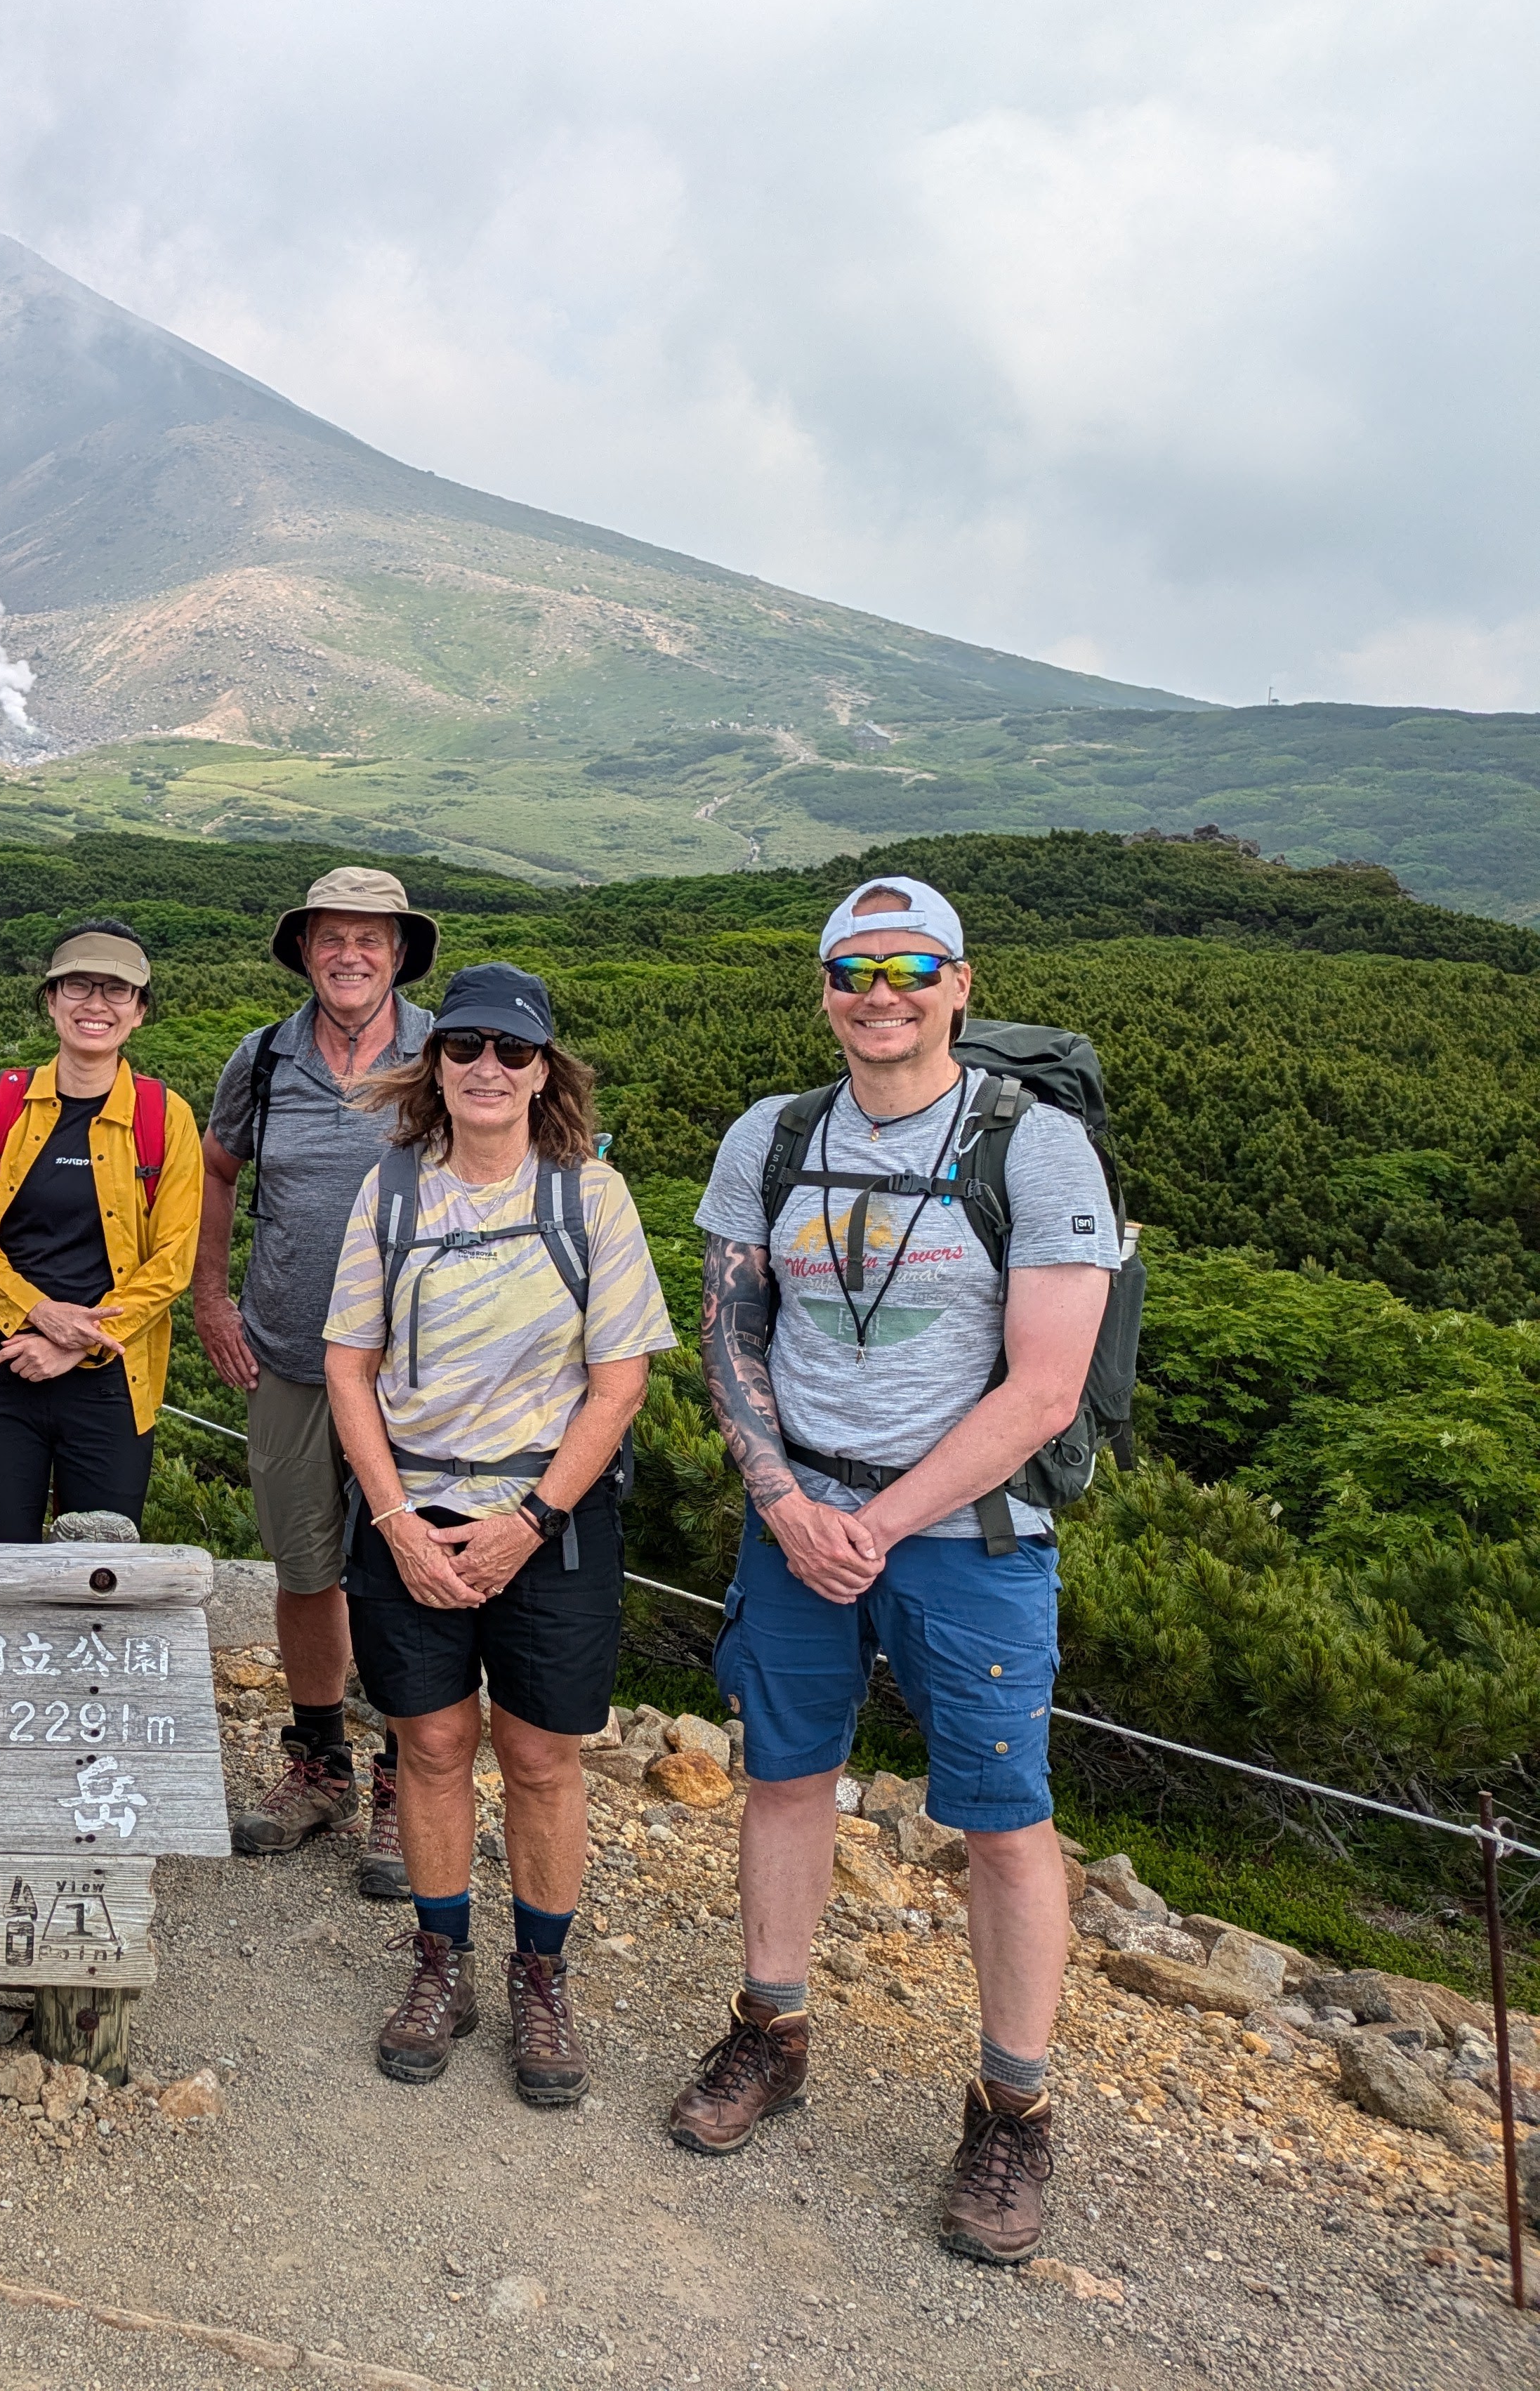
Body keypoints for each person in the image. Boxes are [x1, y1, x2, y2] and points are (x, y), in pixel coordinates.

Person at [673, 875, 1115, 2269]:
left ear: (960, 982)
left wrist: (869, 1518)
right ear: (820, 989)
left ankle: (1010, 2104)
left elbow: (1042, 1391)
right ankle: (769, 2026)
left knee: (999, 1815)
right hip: (797, 1515)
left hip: (968, 1537)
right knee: (785, 1773)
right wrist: (786, 1501)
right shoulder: (772, 1134)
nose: (880, 990)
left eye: (909, 964)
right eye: (851, 969)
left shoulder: (1035, 1151)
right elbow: (729, 1331)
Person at [321, 964, 672, 2102]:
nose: (484, 1068)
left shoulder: (590, 1196)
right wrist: (391, 1520)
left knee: (536, 1755)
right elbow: (346, 1365)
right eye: (463, 1047)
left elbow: (616, 1383)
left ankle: (538, 1973)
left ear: (540, 1070)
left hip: (548, 1521)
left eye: (508, 1052)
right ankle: (439, 1961)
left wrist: (526, 1522)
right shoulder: (391, 1193)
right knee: (426, 1748)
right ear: (435, 1064)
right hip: (406, 1512)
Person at [197, 867, 440, 1884]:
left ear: (398, 954)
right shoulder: (261, 1060)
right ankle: (320, 1763)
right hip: (293, 1355)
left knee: (409, 1576)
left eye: (369, 939)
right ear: (304, 951)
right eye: (331, 937)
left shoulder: (449, 1053)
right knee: (305, 1566)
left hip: (425, 1371)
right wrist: (210, 1296)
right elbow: (218, 1168)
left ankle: (403, 1782)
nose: (350, 955)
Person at [0, 919, 204, 1540]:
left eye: (116, 991)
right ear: (50, 1001)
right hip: (2, 1365)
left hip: (112, 1377)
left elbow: (173, 1258)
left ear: (139, 1012)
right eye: (78, 986)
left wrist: (78, 1341)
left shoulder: (166, 1117)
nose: (95, 1005)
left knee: (98, 1570)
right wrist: (41, 1313)